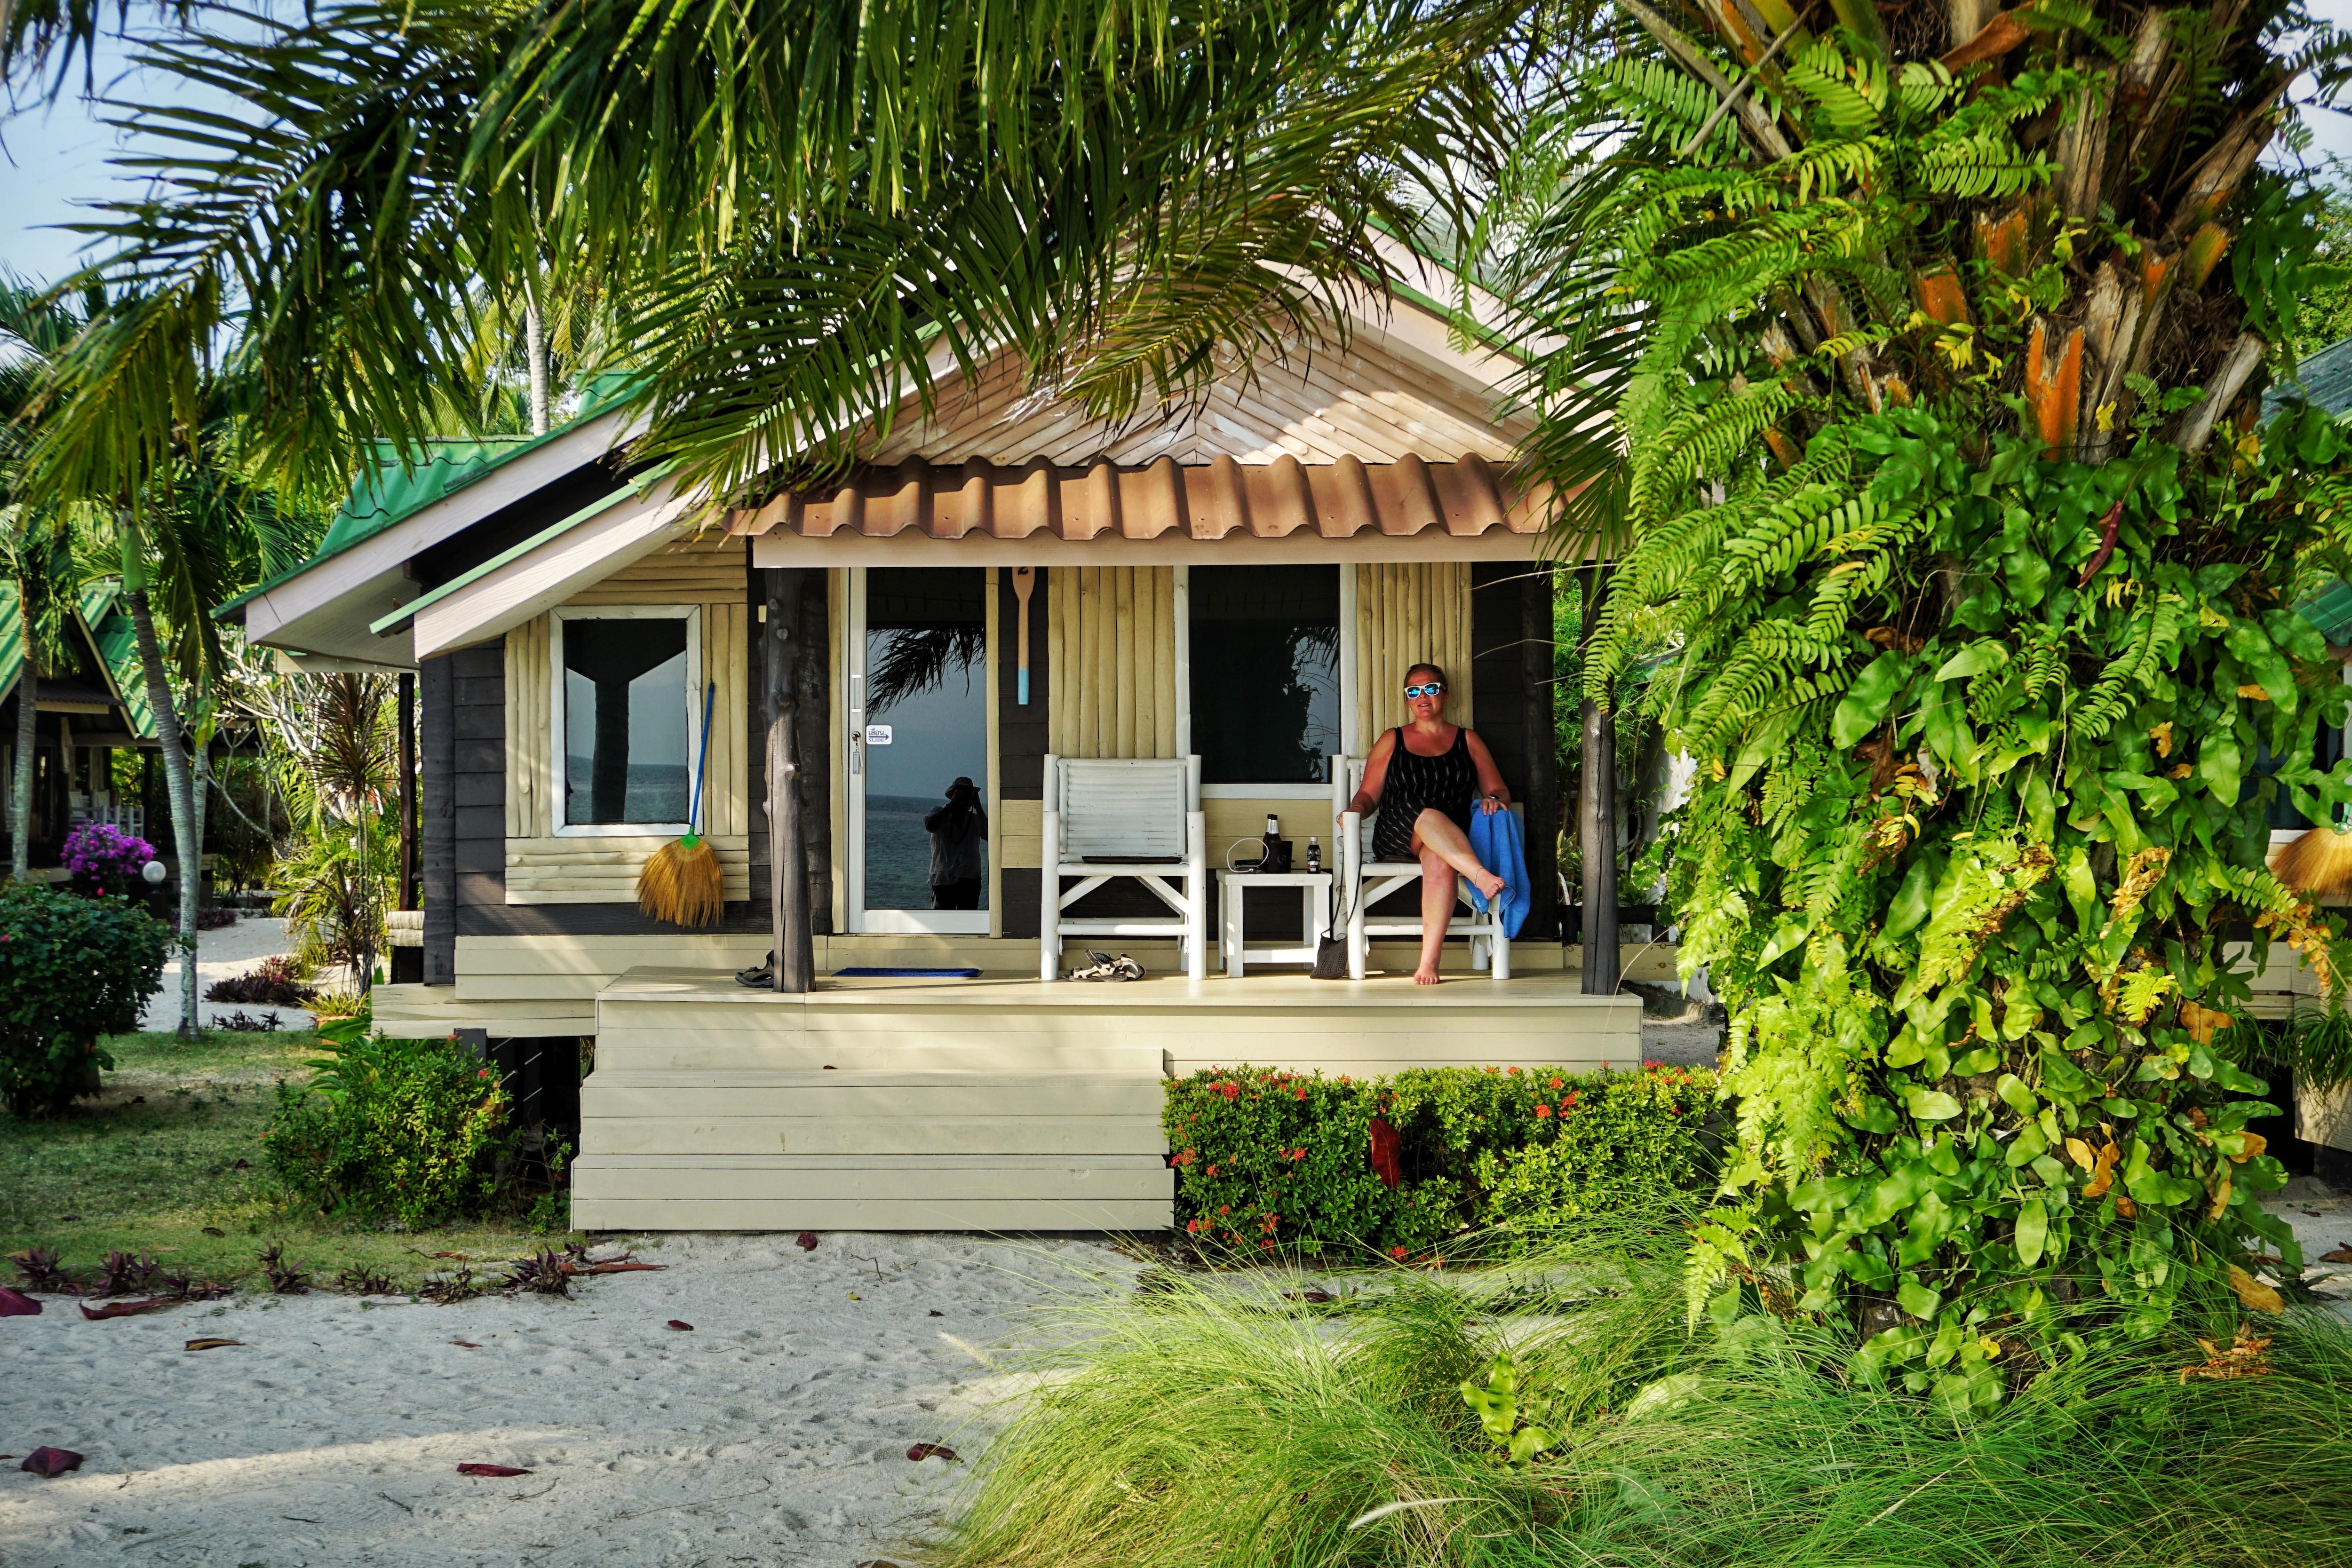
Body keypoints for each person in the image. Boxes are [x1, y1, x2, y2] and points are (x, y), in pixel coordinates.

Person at [1343, 663, 1509, 983]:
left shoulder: (1468, 740)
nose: (1423, 697)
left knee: (1439, 860)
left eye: (1431, 689)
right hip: (1398, 830)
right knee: (1426, 812)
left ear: (1445, 695)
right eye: (1414, 691)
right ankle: (1479, 874)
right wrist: (1353, 812)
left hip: (1449, 837)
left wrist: (1494, 800)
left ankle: (1429, 962)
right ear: (1407, 700)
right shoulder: (1393, 740)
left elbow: (1498, 789)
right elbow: (1368, 794)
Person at [924, 777, 987, 910]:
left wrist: (978, 806)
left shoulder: (975, 820)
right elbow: (931, 826)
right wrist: (952, 806)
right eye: (960, 794)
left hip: (970, 877)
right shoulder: (939, 812)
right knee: (942, 922)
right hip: (944, 877)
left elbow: (989, 835)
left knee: (967, 923)